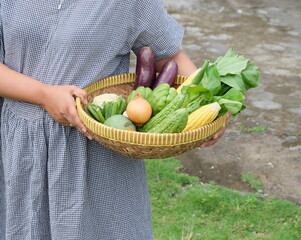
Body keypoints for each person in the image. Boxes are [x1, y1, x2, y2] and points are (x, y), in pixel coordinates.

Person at [0, 1, 225, 239]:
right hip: (20, 145)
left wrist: (214, 102)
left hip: (98, 147)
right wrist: (44, 95)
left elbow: (172, 58)